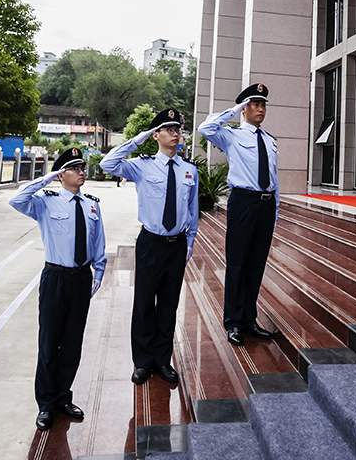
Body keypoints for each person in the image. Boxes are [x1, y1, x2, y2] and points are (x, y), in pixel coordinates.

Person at [9, 147, 106, 431]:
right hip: (55, 277)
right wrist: (46, 178)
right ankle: (46, 404)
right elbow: (16, 199)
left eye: (82, 167)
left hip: (81, 278)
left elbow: (98, 240)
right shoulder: (45, 201)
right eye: (74, 167)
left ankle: (63, 397)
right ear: (62, 173)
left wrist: (99, 270)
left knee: (73, 342)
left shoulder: (91, 204)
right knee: (50, 342)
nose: (81, 171)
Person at [100, 108, 198, 384]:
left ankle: (162, 360)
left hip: (176, 244)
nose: (175, 133)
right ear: (156, 135)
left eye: (177, 129)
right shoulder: (141, 165)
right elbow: (108, 163)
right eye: (168, 129)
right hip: (150, 243)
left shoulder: (189, 170)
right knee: (144, 303)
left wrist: (189, 243)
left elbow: (193, 210)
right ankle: (142, 362)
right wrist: (137, 139)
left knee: (169, 303)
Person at [198, 83, 279, 346]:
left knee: (256, 264)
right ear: (245, 108)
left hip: (265, 205)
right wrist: (233, 110)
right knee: (237, 263)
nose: (261, 109)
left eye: (263, 104)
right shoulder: (231, 135)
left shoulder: (270, 141)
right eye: (255, 104)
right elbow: (205, 129)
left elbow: (274, 177)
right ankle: (233, 321)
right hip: (243, 203)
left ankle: (248, 319)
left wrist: (274, 211)